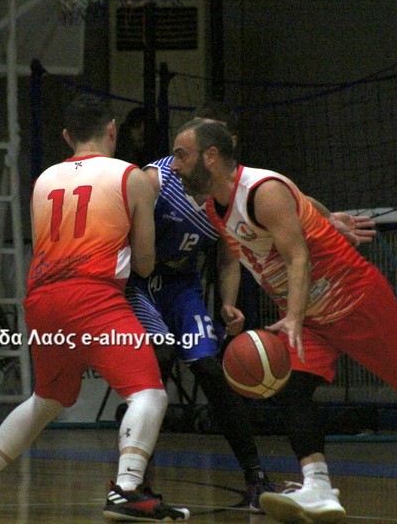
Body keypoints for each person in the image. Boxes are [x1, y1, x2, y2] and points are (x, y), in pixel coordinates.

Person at [170, 118, 397, 524]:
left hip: (355, 302)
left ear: (211, 156)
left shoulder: (262, 191)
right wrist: (329, 218)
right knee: (292, 390)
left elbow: (298, 256)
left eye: (181, 155)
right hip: (309, 318)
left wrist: (291, 316)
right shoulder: (215, 207)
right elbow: (297, 201)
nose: (175, 164)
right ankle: (318, 487)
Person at [0, 93, 190, 521]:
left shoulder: (44, 179)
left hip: (41, 299)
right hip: (93, 296)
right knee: (148, 392)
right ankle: (127, 488)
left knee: (48, 399)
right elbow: (145, 264)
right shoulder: (131, 176)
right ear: (112, 130)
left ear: (66, 136)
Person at [124, 101, 276, 512]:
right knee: (156, 362)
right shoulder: (156, 179)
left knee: (210, 369)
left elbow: (228, 257)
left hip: (181, 286)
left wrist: (227, 303)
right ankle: (135, 479)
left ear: (221, 149)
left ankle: (256, 476)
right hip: (141, 284)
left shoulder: (231, 196)